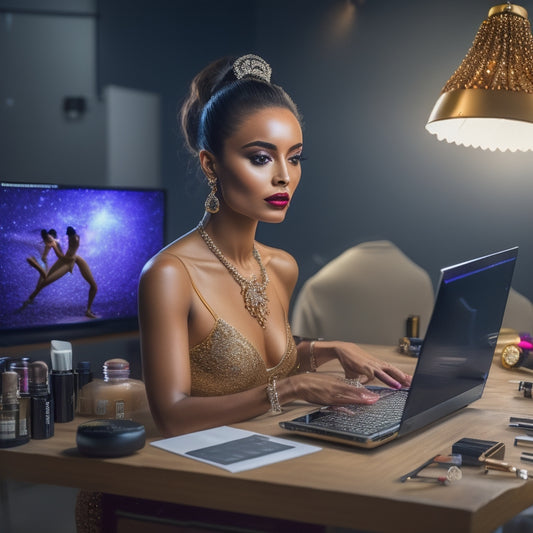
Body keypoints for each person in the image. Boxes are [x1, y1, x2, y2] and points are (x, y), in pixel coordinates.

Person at [138, 54, 411, 438]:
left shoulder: (281, 267)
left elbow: (265, 366)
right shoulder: (169, 275)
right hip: (196, 478)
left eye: (295, 158)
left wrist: (328, 349)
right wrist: (294, 388)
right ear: (211, 165)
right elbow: (170, 416)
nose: (284, 176)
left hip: (271, 452)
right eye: (261, 158)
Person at [25, 226, 98, 318]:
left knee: (94, 286)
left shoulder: (73, 238)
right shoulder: (62, 241)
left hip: (72, 259)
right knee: (45, 280)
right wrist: (53, 248)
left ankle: (88, 310)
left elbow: (64, 255)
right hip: (67, 261)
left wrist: (56, 248)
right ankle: (31, 298)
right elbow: (61, 256)